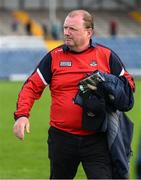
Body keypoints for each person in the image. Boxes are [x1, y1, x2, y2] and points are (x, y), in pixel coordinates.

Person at [13, 9, 135, 179]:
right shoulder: (54, 57)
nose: (66, 33)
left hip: (97, 139)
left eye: (72, 29)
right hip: (62, 139)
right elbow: (31, 86)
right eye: (65, 28)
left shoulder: (106, 56)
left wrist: (109, 87)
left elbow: (128, 85)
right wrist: (22, 115)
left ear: (89, 32)